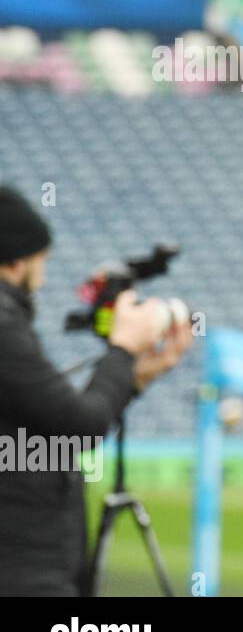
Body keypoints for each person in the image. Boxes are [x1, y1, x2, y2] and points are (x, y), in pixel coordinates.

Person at [0, 186, 193, 596]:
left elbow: (45, 434)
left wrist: (135, 376)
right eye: (42, 260)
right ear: (16, 258)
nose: (44, 275)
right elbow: (77, 428)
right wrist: (124, 348)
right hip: (24, 568)